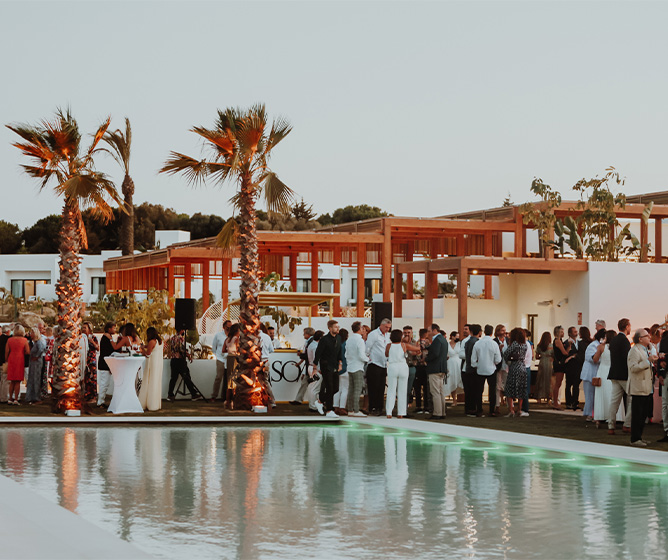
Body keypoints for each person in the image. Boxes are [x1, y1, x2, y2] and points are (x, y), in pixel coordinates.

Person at [628, 329, 654, 447]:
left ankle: (639, 437)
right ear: (640, 339)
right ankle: (635, 438)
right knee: (638, 414)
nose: (649, 338)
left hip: (646, 386)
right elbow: (633, 368)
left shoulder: (645, 350)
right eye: (646, 336)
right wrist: (648, 362)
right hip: (638, 386)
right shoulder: (634, 351)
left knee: (643, 414)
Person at [385, 329, 419, 418]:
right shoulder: (404, 345)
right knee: (402, 390)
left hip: (393, 367)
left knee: (391, 390)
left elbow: (386, 354)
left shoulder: (389, 345)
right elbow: (417, 349)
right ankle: (401, 413)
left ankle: (389, 412)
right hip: (403, 367)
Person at [313, 320, 343, 418]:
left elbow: (339, 352)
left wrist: (340, 363)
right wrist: (315, 367)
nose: (337, 328)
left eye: (338, 327)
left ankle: (320, 401)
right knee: (329, 387)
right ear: (330, 328)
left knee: (335, 388)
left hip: (334, 365)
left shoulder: (339, 338)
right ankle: (329, 410)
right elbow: (318, 353)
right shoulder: (324, 340)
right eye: (335, 327)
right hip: (326, 365)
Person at [607, 318, 632, 435]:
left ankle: (611, 425)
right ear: (626, 326)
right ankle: (627, 425)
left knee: (614, 401)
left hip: (614, 374)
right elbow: (627, 358)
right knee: (631, 400)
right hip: (624, 375)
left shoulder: (614, 340)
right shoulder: (625, 341)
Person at [471, 324, 502, 417]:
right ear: (492, 333)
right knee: (492, 391)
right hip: (491, 369)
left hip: (480, 369)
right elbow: (498, 359)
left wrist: (477, 365)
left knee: (479, 391)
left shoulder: (478, 343)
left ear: (484, 332)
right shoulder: (494, 344)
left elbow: (473, 360)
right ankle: (492, 410)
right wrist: (493, 364)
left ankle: (479, 410)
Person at [593, 330, 622, 427]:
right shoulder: (617, 347)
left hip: (602, 371)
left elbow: (595, 359)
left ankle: (600, 416)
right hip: (613, 370)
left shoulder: (601, 347)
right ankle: (616, 416)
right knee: (614, 393)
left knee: (601, 394)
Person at [167, 328, 203, 402]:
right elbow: (181, 349)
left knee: (173, 378)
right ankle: (193, 394)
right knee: (186, 376)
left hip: (173, 360)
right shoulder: (180, 338)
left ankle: (170, 395)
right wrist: (188, 355)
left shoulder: (172, 338)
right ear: (181, 330)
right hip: (180, 360)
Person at [365, 318, 392, 415]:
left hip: (383, 364)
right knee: (373, 387)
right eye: (386, 327)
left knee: (381, 387)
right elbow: (367, 347)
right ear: (381, 325)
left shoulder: (388, 336)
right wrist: (369, 358)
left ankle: (379, 407)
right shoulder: (373, 334)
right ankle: (372, 407)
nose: (387, 329)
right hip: (374, 364)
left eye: (389, 327)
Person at [581, 329, 606, 421]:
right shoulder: (593, 345)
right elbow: (591, 358)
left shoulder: (599, 345)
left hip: (596, 373)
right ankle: (589, 414)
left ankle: (594, 414)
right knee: (589, 395)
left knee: (595, 395)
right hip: (589, 373)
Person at [97, 321, 124, 407]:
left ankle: (101, 400)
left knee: (105, 383)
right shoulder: (107, 337)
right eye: (114, 328)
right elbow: (112, 349)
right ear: (109, 329)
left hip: (105, 362)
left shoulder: (108, 337)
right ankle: (100, 402)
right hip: (104, 363)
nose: (115, 329)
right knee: (104, 383)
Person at [503, 328, 528, 417]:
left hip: (514, 367)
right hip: (523, 367)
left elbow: (506, 354)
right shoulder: (525, 345)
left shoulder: (514, 344)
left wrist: (508, 361)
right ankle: (520, 410)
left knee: (510, 389)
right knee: (521, 389)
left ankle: (511, 410)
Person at [345, 321, 368, 416]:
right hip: (358, 366)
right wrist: (368, 359)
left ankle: (350, 409)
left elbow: (346, 353)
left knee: (351, 389)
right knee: (357, 389)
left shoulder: (349, 339)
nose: (364, 330)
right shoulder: (360, 340)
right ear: (360, 329)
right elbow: (361, 355)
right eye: (363, 328)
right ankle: (356, 410)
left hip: (350, 366)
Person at [426, 323, 448, 420]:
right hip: (442, 368)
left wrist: (426, 359)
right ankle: (442, 412)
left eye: (429, 331)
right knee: (440, 392)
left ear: (435, 330)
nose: (428, 333)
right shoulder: (443, 340)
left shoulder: (437, 340)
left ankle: (437, 413)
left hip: (435, 368)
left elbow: (435, 353)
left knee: (435, 392)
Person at [138, 327, 164, 411]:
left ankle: (147, 403)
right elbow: (153, 348)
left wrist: (142, 350)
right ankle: (154, 403)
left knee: (149, 381)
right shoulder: (160, 341)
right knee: (155, 382)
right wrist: (145, 346)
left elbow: (148, 354)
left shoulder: (151, 341)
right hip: (158, 364)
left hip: (151, 364)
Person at [291, 327, 315, 405]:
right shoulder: (310, 342)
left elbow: (308, 355)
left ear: (308, 334)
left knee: (309, 385)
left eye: (304, 333)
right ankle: (299, 399)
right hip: (310, 366)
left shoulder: (310, 343)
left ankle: (300, 400)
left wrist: (301, 355)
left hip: (311, 367)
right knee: (305, 383)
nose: (303, 335)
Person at [6, 325, 29, 405]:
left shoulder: (9, 340)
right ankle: (16, 399)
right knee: (18, 381)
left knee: (12, 380)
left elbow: (7, 351)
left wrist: (6, 360)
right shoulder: (24, 340)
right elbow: (28, 351)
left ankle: (9, 398)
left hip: (11, 359)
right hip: (20, 359)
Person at [463, 324, 481, 417]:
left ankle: (468, 409)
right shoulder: (477, 342)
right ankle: (473, 409)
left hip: (468, 368)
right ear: (479, 332)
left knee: (468, 391)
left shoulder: (467, 341)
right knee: (474, 391)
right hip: (474, 369)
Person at [210, 320, 231, 402]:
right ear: (224, 327)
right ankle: (214, 396)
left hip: (229, 359)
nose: (229, 328)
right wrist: (217, 355)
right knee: (219, 377)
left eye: (230, 326)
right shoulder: (218, 335)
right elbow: (214, 348)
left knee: (228, 378)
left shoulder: (232, 336)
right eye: (227, 326)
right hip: (220, 359)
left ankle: (226, 396)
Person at [25, 327, 46, 404]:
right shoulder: (35, 342)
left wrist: (36, 356)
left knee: (36, 379)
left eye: (32, 333)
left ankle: (36, 397)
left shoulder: (39, 342)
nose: (31, 334)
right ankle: (31, 396)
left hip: (37, 363)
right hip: (33, 363)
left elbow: (41, 350)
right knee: (32, 379)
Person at [223, 323, 241, 409]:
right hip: (235, 359)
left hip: (228, 358)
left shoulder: (227, 339)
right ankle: (234, 401)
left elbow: (223, 350)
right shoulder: (236, 339)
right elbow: (238, 349)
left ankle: (227, 401)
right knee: (234, 379)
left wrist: (229, 349)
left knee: (229, 380)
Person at [81, 322, 99, 404]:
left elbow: (98, 348)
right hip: (84, 359)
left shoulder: (93, 337)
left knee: (92, 377)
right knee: (86, 378)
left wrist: (92, 341)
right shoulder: (81, 337)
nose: (83, 329)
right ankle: (87, 395)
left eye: (85, 327)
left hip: (91, 359)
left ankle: (93, 396)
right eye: (83, 327)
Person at [306, 330, 324, 412]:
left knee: (311, 387)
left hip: (311, 367)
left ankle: (312, 404)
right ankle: (313, 405)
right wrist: (318, 369)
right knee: (315, 388)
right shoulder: (316, 346)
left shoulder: (311, 345)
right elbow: (316, 359)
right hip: (315, 368)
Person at [414, 328, 431, 413]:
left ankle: (421, 406)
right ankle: (423, 406)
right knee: (422, 387)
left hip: (421, 366)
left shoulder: (420, 342)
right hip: (422, 366)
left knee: (421, 387)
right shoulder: (422, 342)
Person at [333, 328, 349, 415]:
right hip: (345, 368)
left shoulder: (335, 343)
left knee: (337, 388)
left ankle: (335, 406)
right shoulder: (346, 344)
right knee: (345, 389)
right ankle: (342, 407)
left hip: (336, 368)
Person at [564, 326, 581, 410]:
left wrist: (576, 356)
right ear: (570, 333)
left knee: (576, 385)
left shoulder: (579, 342)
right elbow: (565, 354)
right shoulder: (566, 343)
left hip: (577, 366)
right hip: (569, 367)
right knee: (568, 385)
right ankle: (568, 402)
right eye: (574, 331)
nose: (576, 333)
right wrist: (571, 356)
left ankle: (575, 402)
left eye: (576, 331)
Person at [552, 325, 568, 410]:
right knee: (557, 384)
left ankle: (555, 402)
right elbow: (564, 352)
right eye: (561, 332)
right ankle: (555, 403)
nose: (563, 333)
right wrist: (569, 348)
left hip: (559, 363)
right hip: (559, 363)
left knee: (559, 383)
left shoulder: (560, 340)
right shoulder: (558, 341)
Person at [535, 332, 553, 404]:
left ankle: (539, 397)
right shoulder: (551, 346)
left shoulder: (539, 346)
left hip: (542, 362)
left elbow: (536, 356)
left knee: (540, 379)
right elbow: (554, 355)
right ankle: (548, 397)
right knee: (549, 380)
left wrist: (542, 356)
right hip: (549, 362)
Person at [445, 331, 463, 405]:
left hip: (458, 363)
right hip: (450, 364)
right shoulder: (447, 344)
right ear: (452, 337)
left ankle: (457, 399)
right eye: (456, 336)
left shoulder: (460, 344)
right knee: (451, 380)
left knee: (458, 379)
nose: (458, 338)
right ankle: (454, 399)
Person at [493, 324, 508, 412]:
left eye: (505, 330)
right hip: (498, 366)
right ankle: (497, 405)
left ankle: (509, 404)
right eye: (502, 330)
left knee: (507, 385)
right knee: (497, 386)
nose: (504, 332)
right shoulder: (494, 341)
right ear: (498, 331)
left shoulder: (508, 341)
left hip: (506, 365)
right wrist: (498, 349)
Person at [403, 326, 419, 407]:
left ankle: (406, 404)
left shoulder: (415, 343)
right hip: (402, 367)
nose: (407, 334)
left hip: (411, 366)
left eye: (409, 333)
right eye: (405, 333)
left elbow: (419, 355)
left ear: (412, 333)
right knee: (401, 387)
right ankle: (402, 405)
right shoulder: (399, 342)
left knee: (409, 388)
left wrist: (416, 354)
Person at [0, 325, 11, 403]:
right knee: (5, 380)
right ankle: (4, 397)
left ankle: (2, 396)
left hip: (1, 362)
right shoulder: (8, 340)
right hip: (5, 362)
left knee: (2, 381)